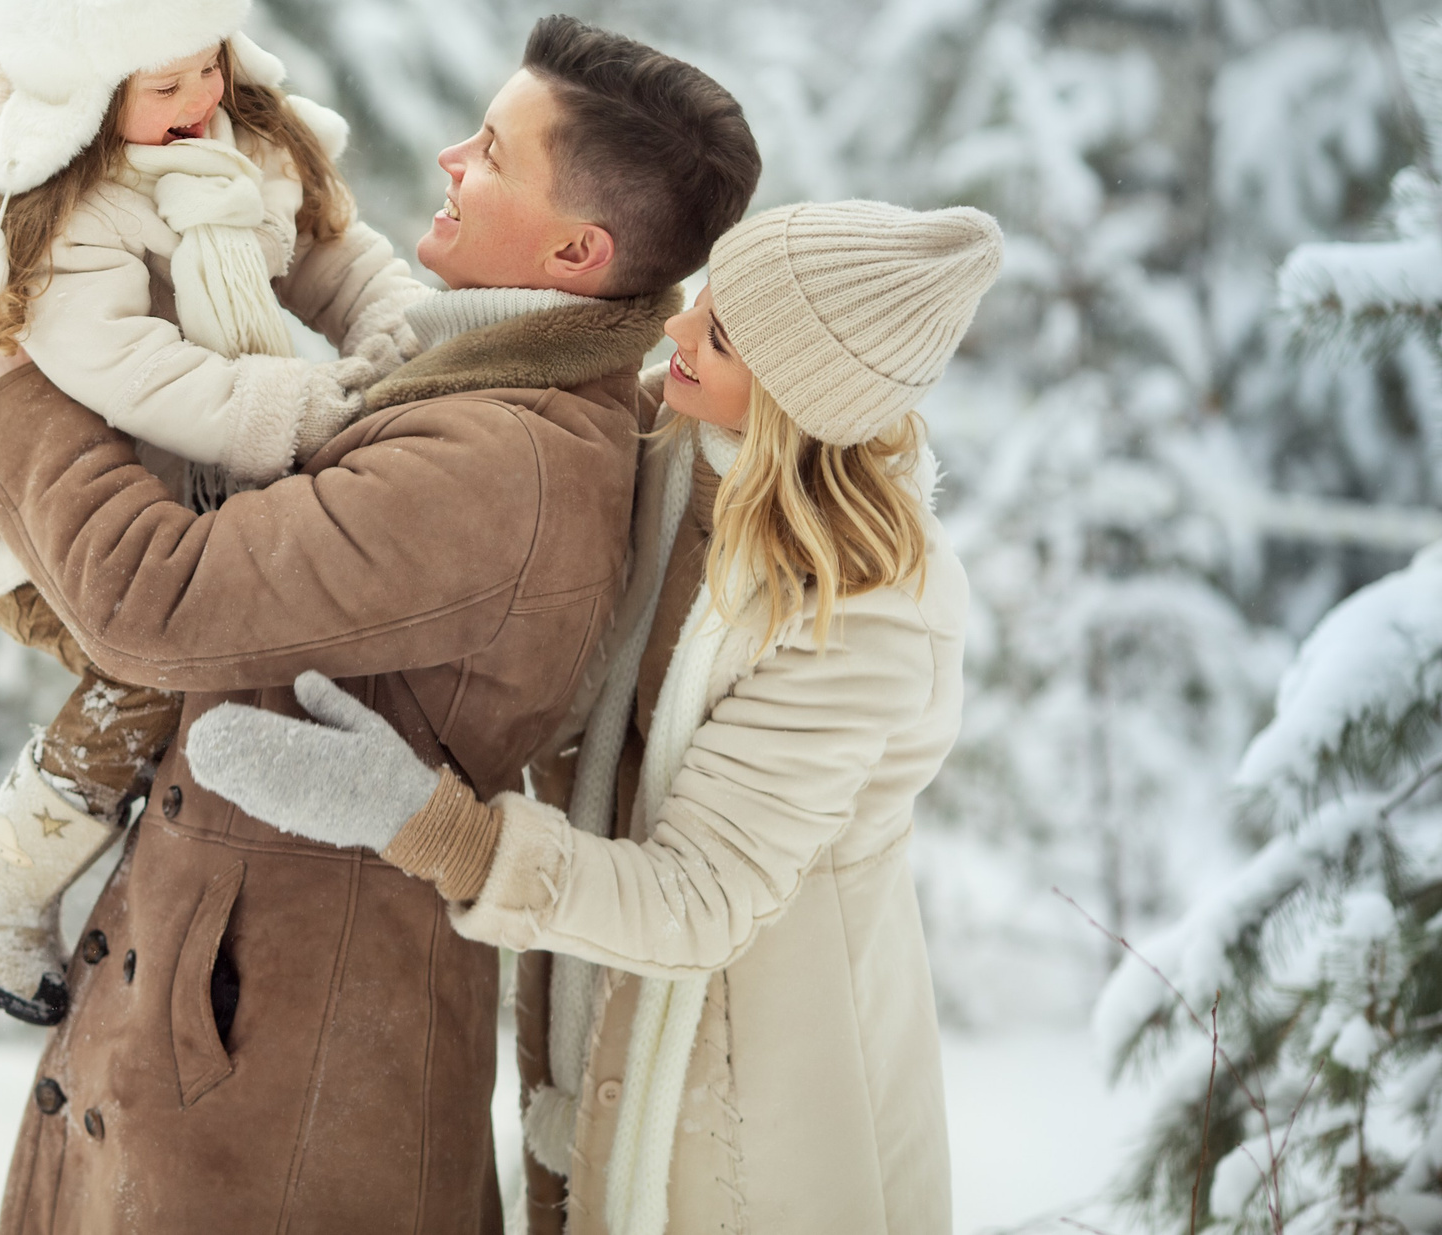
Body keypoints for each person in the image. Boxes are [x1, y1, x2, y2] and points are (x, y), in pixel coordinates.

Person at [0, 16, 760, 1235]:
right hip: (240, 1017)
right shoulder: (472, 395)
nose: (446, 158)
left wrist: (30, 350)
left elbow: (152, 599)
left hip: (280, 1073)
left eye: (488, 152)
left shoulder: (500, 462)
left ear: (578, 248)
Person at [186, 200, 1004, 1235]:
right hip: (596, 998)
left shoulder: (862, 614)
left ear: (807, 393)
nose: (679, 330)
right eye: (706, 298)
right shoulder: (678, 438)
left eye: (726, 333)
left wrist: (421, 820)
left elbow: (702, 897)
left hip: (756, 1094)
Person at [0, 0, 431, 1026]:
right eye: (164, 82)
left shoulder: (238, 150)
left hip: (177, 501)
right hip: (38, 516)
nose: (200, 93)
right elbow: (130, 373)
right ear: (88, 96)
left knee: (213, 667)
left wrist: (400, 337)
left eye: (211, 62)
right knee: (163, 663)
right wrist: (291, 407)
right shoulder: (68, 220)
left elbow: (331, 255)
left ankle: (171, 917)